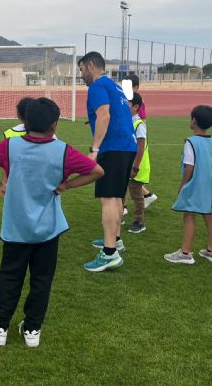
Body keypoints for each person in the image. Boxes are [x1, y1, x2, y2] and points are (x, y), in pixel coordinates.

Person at [0, 98, 103, 347]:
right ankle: (32, 330)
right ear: (54, 125)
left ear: (25, 122)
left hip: (16, 227)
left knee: (10, 276)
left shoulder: (10, 146)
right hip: (47, 229)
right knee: (42, 279)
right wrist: (67, 185)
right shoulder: (63, 150)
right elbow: (97, 171)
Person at [78, 52, 137, 272]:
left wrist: (94, 149)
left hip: (113, 148)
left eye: (82, 69)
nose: (81, 75)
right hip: (126, 146)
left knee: (109, 198)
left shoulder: (97, 87)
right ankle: (116, 240)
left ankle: (109, 252)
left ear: (91, 65)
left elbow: (104, 115)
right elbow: (114, 114)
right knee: (118, 196)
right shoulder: (115, 86)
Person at [164, 105, 212, 265]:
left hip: (194, 184)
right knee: (208, 215)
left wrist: (183, 185)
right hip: (208, 184)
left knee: (189, 216)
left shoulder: (190, 142)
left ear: (194, 121)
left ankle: (185, 253)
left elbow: (189, 167)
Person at [127, 73, 157, 208]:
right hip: (131, 137)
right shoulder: (128, 99)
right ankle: (148, 196)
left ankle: (124, 208)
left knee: (128, 178)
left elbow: (142, 120)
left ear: (136, 87)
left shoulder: (138, 102)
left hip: (136, 138)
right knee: (128, 179)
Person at [126, 93, 149, 234]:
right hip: (127, 163)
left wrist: (136, 166)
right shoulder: (128, 121)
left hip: (136, 166)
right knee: (125, 191)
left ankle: (139, 221)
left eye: (127, 103)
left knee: (137, 194)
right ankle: (119, 214)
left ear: (135, 107)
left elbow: (141, 147)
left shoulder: (139, 124)